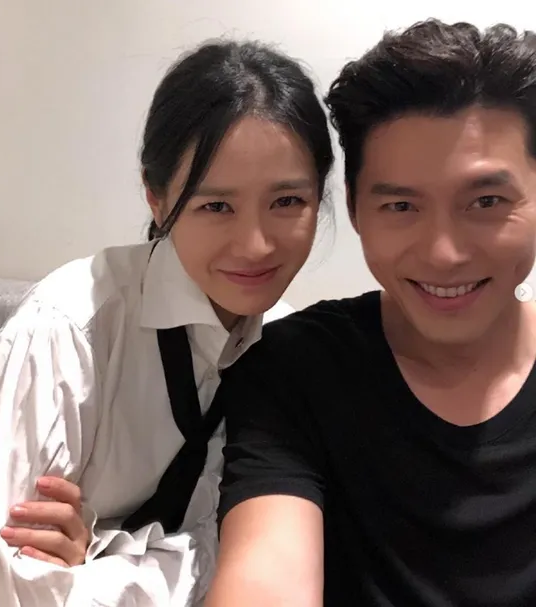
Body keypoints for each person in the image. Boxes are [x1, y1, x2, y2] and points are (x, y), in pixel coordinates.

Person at [0, 38, 334, 606]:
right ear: (157, 198)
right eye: (215, 206)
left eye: (287, 202)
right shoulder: (71, 327)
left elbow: (256, 553)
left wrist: (99, 556)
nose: (255, 245)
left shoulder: (290, 350)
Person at [205, 18, 536, 607]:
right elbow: (266, 570)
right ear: (356, 211)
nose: (444, 253)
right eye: (401, 206)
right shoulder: (296, 369)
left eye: (486, 201)